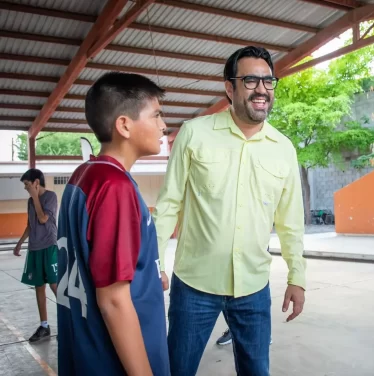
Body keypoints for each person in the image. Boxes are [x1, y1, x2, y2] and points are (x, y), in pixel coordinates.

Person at [153, 46, 306, 376]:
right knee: (177, 369)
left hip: (253, 287)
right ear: (229, 87)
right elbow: (168, 204)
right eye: (250, 80)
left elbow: (290, 219)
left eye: (268, 81)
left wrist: (297, 276)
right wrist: (154, 263)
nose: (262, 89)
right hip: (194, 287)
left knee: (256, 371)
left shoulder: (283, 148)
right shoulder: (195, 134)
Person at [56, 72, 169, 375]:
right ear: (124, 125)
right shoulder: (114, 185)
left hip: (84, 352)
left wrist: (147, 275)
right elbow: (114, 301)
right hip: (116, 360)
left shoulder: (85, 175)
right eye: (156, 115)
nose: (163, 125)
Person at [13, 168, 58, 343]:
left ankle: (68, 322)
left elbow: (43, 218)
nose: (25, 188)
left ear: (36, 183)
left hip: (49, 246)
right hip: (35, 248)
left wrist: (35, 197)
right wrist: (19, 244)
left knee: (55, 286)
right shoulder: (30, 202)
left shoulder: (50, 197)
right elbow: (31, 224)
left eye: (27, 184)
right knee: (39, 287)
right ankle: (44, 326)